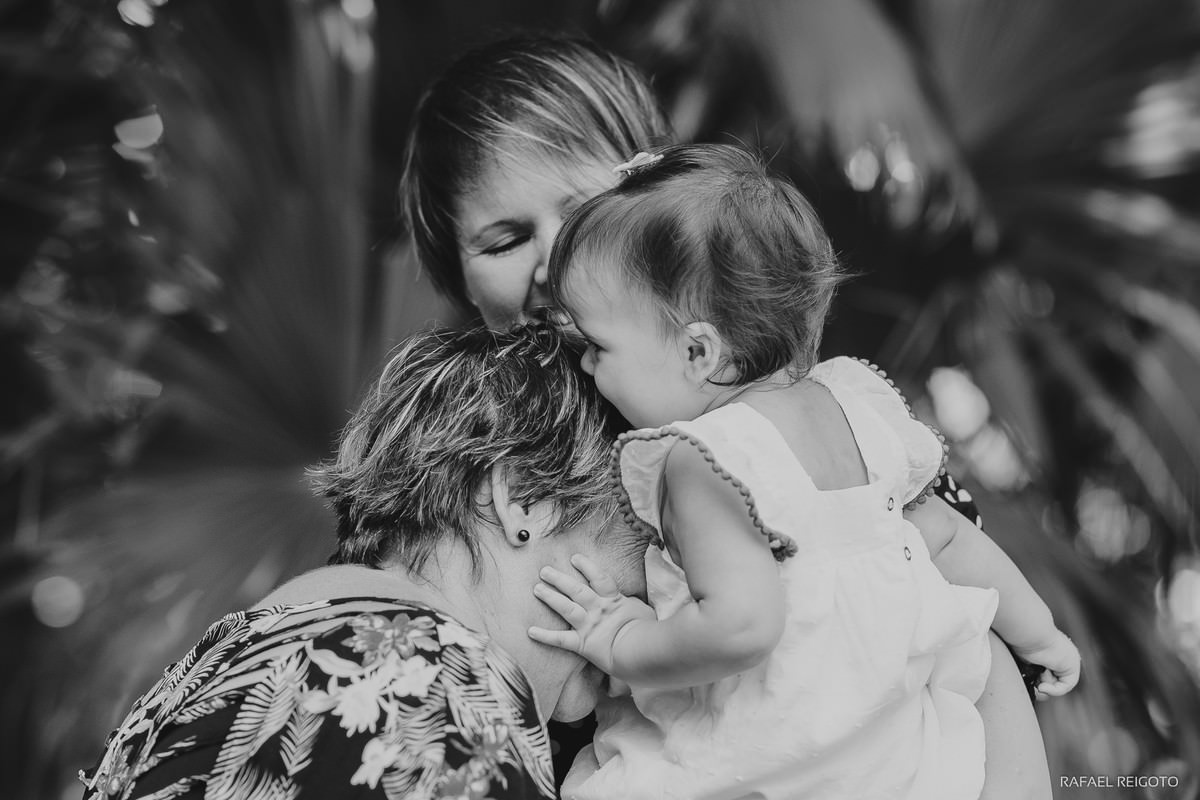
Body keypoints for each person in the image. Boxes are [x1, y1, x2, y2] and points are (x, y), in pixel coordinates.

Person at [398, 33, 1053, 798]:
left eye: (584, 214)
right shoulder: (458, 476)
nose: (552, 265)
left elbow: (970, 634)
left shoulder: (799, 423)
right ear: (459, 281)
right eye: (505, 240)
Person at [525, 143, 1076, 799]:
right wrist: (1038, 630)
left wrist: (623, 640)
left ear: (698, 351)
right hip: (895, 763)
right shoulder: (858, 412)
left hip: (776, 756)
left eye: (596, 348)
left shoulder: (703, 460)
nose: (585, 368)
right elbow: (950, 538)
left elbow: (744, 624)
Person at [79, 322, 651, 800]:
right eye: (634, 588)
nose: (646, 631)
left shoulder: (216, 672)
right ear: (522, 497)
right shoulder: (441, 695)